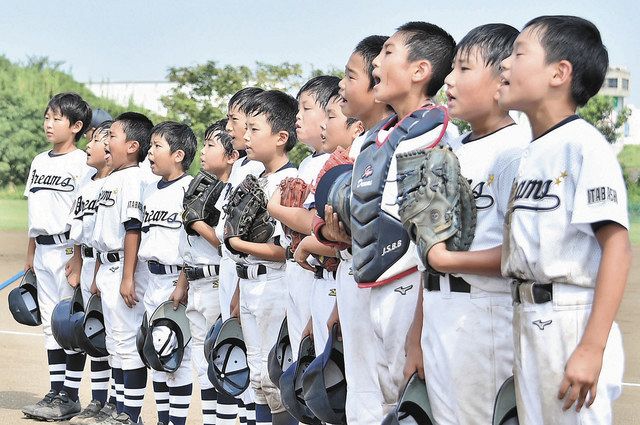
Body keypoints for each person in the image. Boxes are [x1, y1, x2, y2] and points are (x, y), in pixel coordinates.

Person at [498, 15, 630, 424]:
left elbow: (617, 247)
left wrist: (592, 347)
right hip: (529, 316)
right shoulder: (531, 151)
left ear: (559, 72)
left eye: (519, 53)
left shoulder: (583, 144)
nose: (506, 64)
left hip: (570, 318)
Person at [402, 23, 526, 424]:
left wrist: (444, 261)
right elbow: (428, 254)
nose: (449, 81)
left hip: (484, 313)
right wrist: (416, 336)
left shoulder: (517, 151)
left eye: (464, 69)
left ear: (501, 80)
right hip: (439, 309)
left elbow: (524, 253)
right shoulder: (448, 149)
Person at [338, 22, 456, 413]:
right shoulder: (377, 137)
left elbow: (437, 239)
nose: (377, 61)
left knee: (414, 403)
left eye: (388, 52)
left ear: (420, 71)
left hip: (411, 284)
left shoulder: (438, 132)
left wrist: (418, 332)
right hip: (372, 283)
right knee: (383, 401)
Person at [317, 35, 392, 425]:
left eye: (351, 75)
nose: (342, 85)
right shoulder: (368, 144)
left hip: (398, 283)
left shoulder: (418, 138)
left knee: (385, 399)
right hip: (355, 275)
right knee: (361, 395)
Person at [225, 89, 299, 425]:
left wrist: (237, 244)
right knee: (256, 378)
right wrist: (240, 289)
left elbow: (284, 251)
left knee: (273, 376)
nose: (245, 135)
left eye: (255, 129)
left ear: (281, 137)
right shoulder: (256, 177)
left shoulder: (290, 181)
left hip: (274, 284)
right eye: (247, 128)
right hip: (250, 282)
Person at [21, 92, 93, 422]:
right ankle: (56, 391)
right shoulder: (38, 161)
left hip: (67, 250)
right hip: (42, 251)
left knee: (67, 324)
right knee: (50, 326)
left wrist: (77, 257)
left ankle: (70, 394)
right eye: (47, 117)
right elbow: (35, 216)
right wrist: (29, 259)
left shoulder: (82, 163)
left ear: (76, 126)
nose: (48, 124)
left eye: (57, 119)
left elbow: (82, 214)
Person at [170, 119, 239, 425]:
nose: (204, 149)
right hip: (197, 281)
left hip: (216, 281)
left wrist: (197, 221)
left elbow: (227, 244)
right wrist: (182, 282)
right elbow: (188, 247)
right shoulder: (205, 187)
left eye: (212, 144)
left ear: (231, 156)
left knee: (221, 361)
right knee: (201, 363)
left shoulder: (232, 191)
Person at [267, 75, 340, 357]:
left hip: (321, 267)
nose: (298, 116)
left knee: (319, 364)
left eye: (306, 108)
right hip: (300, 268)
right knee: (300, 360)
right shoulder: (310, 161)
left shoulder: (335, 160)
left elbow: (312, 223)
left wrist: (277, 208)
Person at [90, 111, 153, 425]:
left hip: (125, 268)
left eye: (112, 136)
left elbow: (133, 229)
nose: (106, 142)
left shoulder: (134, 178)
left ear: (131, 146)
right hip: (109, 266)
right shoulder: (113, 178)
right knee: (115, 343)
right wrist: (98, 272)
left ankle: (130, 414)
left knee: (127, 343)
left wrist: (127, 277)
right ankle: (117, 408)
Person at [293, 85, 363, 354]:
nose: (324, 123)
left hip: (355, 275)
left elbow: (347, 235)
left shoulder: (361, 159)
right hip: (328, 278)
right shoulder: (327, 161)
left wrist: (310, 242)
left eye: (331, 115)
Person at [138, 121, 197, 425]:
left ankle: (177, 421)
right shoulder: (149, 189)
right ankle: (163, 419)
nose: (150, 153)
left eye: (156, 146)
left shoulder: (189, 189)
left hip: (176, 280)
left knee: (178, 355)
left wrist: (183, 283)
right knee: (155, 353)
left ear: (178, 154)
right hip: (152, 279)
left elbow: (192, 243)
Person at [218, 87, 264, 424]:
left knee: (258, 366)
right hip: (234, 271)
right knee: (237, 354)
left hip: (260, 272)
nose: (230, 128)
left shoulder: (264, 172)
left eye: (235, 119)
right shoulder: (241, 168)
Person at [67, 120, 115, 425]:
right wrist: (76, 260)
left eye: (96, 140)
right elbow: (78, 231)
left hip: (107, 264)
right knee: (94, 335)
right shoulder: (87, 182)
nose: (89, 144)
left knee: (114, 339)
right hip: (87, 263)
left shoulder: (115, 186)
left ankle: (114, 400)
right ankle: (97, 400)